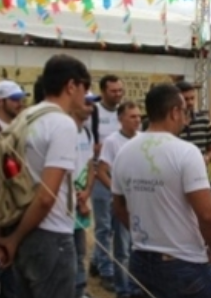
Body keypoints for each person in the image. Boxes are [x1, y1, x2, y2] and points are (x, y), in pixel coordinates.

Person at [0, 54, 89, 298]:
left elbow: (4, 182)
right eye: (85, 86)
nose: (86, 94)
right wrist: (13, 239)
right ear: (71, 85)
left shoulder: (24, 118)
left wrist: (7, 236)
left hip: (20, 229)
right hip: (49, 235)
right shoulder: (62, 124)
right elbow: (46, 196)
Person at [111, 83, 211, 297]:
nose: (186, 117)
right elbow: (208, 215)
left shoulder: (124, 152)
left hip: (141, 258)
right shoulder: (186, 153)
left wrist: (142, 234)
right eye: (184, 111)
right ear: (174, 112)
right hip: (184, 261)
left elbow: (119, 206)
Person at [96, 100, 142, 298]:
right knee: (122, 248)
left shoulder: (143, 139)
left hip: (140, 202)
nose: (137, 120)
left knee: (137, 246)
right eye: (132, 116)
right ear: (121, 119)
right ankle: (123, 290)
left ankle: (136, 286)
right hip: (121, 202)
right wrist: (116, 191)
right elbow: (102, 170)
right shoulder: (112, 141)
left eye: (139, 116)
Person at [88, 75, 125, 292]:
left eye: (120, 90)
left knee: (115, 224)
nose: (118, 94)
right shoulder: (93, 112)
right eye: (113, 91)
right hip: (99, 175)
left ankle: (96, 260)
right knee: (103, 226)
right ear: (103, 91)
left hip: (120, 176)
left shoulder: (123, 113)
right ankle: (106, 270)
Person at [72, 92, 100, 298]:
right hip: (65, 203)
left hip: (81, 200)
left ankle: (80, 289)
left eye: (92, 104)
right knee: (66, 254)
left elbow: (90, 166)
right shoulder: (64, 131)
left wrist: (87, 192)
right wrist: (76, 197)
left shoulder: (87, 133)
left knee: (80, 250)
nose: (91, 108)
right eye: (87, 103)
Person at [177, 80, 211, 162]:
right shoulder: (171, 123)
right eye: (186, 99)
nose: (190, 102)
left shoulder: (204, 120)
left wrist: (207, 158)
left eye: (192, 98)